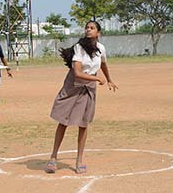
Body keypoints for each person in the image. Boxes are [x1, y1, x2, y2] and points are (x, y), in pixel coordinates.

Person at [45, 20, 118, 174]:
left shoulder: (101, 48)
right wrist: (98, 79)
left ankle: (79, 160)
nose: (88, 30)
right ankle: (53, 158)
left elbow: (103, 64)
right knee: (63, 121)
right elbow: (77, 73)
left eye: (92, 28)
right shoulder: (79, 47)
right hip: (74, 84)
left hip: (88, 87)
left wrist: (109, 79)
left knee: (83, 123)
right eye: (87, 28)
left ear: (98, 33)